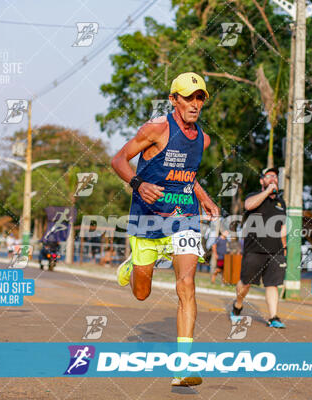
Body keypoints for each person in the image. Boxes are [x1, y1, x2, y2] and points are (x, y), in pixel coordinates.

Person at [111, 72, 218, 387]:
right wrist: (138, 183)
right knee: (141, 293)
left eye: (200, 98)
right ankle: (134, 263)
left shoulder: (203, 139)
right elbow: (118, 159)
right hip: (147, 218)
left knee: (186, 285)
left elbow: (187, 175)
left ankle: (182, 367)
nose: (195, 104)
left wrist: (205, 198)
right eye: (188, 97)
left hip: (185, 216)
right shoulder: (156, 129)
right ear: (174, 99)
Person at [230, 167, 287, 329]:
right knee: (246, 283)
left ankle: (273, 317)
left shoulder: (281, 203)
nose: (273, 179)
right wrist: (267, 191)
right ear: (262, 181)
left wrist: (284, 249)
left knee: (272, 284)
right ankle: (238, 304)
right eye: (268, 176)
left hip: (275, 251)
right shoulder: (253, 196)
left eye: (275, 177)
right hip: (254, 249)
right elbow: (248, 206)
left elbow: (282, 226)